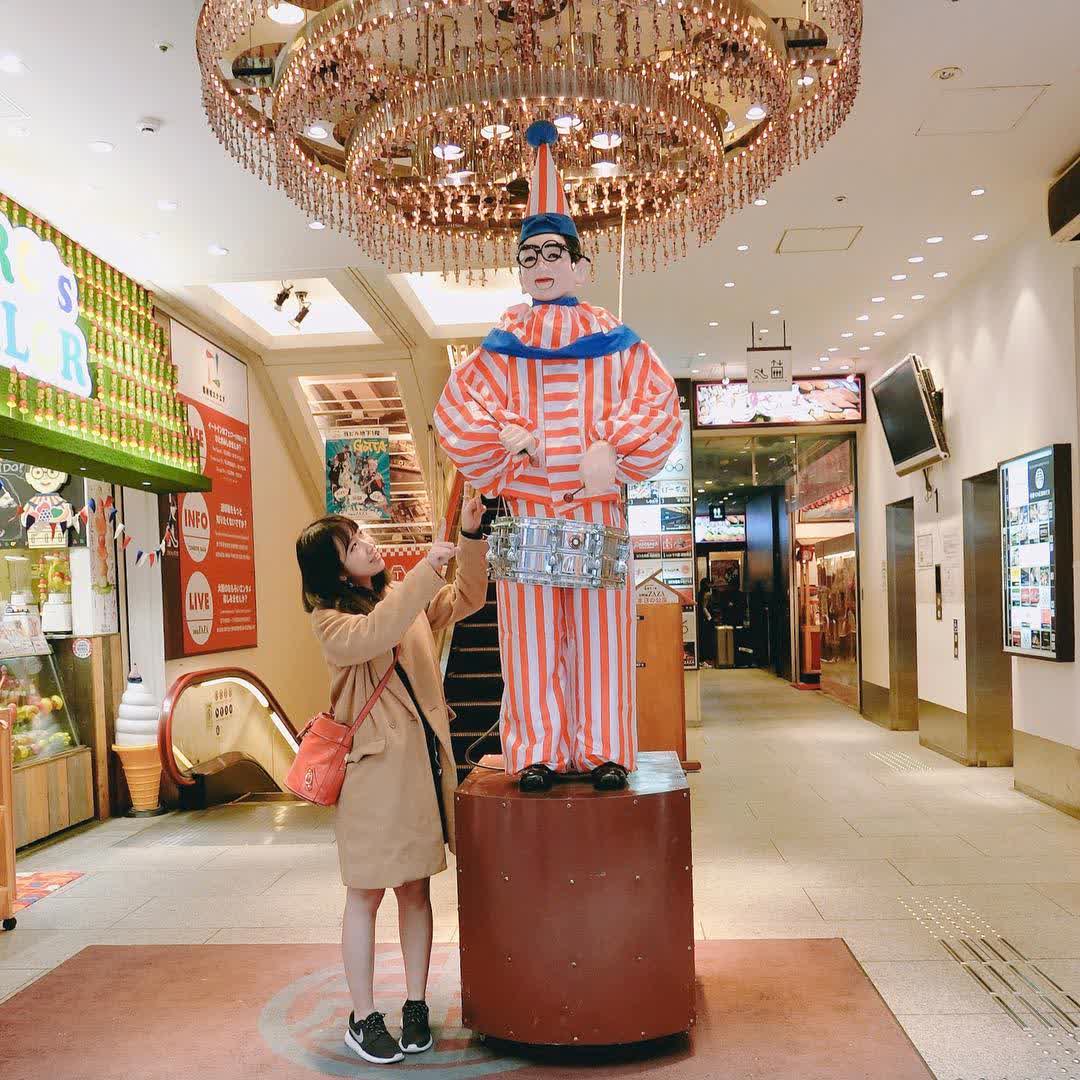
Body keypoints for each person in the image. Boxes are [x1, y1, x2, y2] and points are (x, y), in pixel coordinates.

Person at [434, 120, 681, 793]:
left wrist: (614, 446)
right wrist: (506, 438)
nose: (541, 265)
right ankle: (537, 749)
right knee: (531, 640)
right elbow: (456, 411)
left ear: (580, 266)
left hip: (597, 515)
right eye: (530, 255)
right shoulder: (499, 345)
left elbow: (657, 402)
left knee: (602, 638)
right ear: (520, 269)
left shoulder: (618, 340)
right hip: (527, 517)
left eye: (553, 253)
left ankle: (605, 749)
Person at [295, 495, 487, 1065]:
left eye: (362, 536)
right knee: (364, 895)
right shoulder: (332, 622)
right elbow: (378, 631)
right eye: (353, 546)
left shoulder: (401, 603)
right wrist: (427, 569)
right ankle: (362, 1016)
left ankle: (415, 1003)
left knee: (415, 891)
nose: (368, 545)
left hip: (418, 772)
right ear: (334, 570)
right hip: (371, 776)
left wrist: (471, 536)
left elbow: (470, 597)